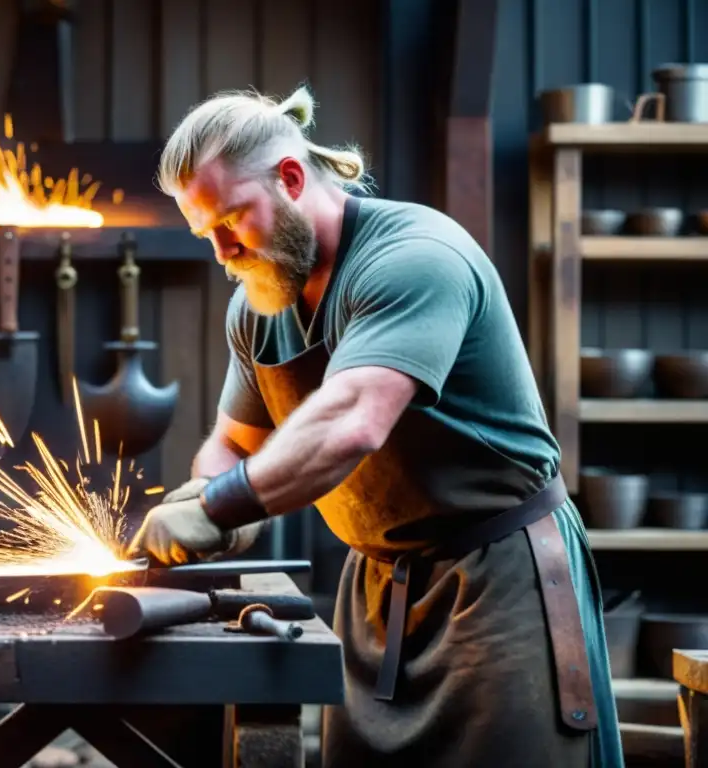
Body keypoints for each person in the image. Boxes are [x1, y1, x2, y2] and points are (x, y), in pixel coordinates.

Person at [127, 85, 625, 767]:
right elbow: (236, 443)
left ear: (292, 179)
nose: (221, 252)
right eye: (204, 233)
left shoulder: (415, 258)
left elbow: (354, 418)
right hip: (374, 593)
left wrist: (225, 503)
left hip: (498, 583)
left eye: (231, 220)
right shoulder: (260, 303)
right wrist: (207, 499)